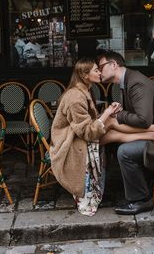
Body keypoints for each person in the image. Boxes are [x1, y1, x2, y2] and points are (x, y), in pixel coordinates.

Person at [97, 50, 154, 215]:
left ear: (113, 65)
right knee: (114, 135)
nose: (99, 71)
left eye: (101, 67)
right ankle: (139, 185)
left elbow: (144, 120)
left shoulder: (136, 82)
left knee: (124, 151)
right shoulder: (127, 81)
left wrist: (119, 115)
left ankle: (141, 200)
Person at [50, 57, 121, 217]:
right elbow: (87, 132)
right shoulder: (75, 97)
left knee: (113, 126)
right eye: (96, 70)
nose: (100, 72)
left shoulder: (85, 91)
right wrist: (107, 114)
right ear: (85, 75)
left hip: (78, 135)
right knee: (113, 127)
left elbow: (89, 124)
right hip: (69, 142)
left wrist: (107, 114)